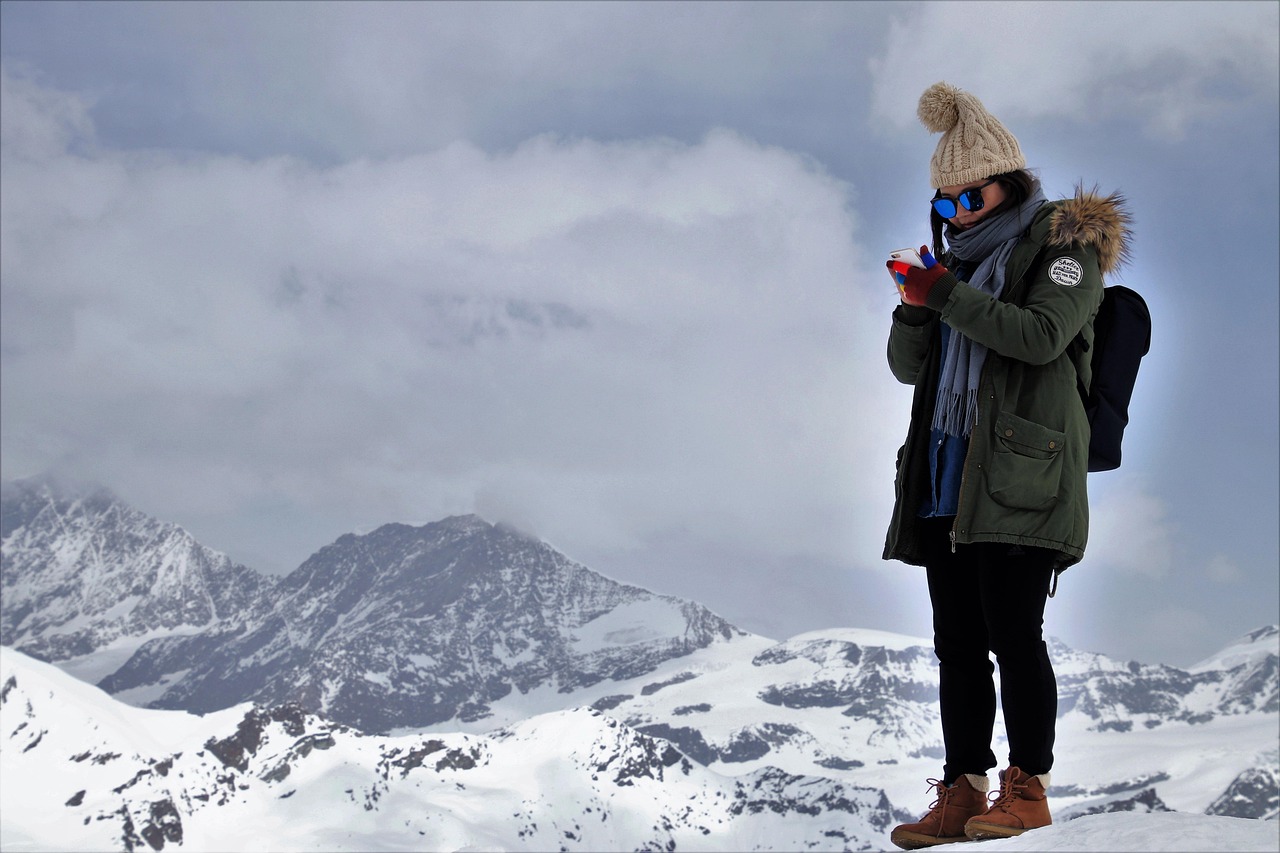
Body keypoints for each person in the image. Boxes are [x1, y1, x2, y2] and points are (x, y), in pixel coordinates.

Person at [883, 82, 1132, 849]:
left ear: (1011, 184)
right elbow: (904, 368)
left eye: (972, 194)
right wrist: (916, 306)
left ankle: (1028, 787)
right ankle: (963, 789)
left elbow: (1036, 337)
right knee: (955, 641)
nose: (960, 212)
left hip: (1023, 474)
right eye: (947, 201)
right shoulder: (956, 266)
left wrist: (946, 293)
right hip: (947, 474)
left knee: (1013, 632)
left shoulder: (1065, 250)